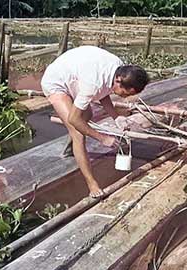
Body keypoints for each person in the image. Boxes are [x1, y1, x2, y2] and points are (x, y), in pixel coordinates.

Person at [41, 46, 149, 198]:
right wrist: (102, 138)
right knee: (78, 131)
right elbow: (74, 118)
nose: (125, 98)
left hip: (75, 74)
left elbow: (104, 92)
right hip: (56, 81)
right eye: (125, 93)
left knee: (88, 115)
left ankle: (71, 148)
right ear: (118, 81)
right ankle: (92, 184)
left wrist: (116, 117)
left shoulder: (118, 68)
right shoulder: (93, 84)